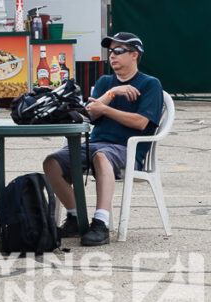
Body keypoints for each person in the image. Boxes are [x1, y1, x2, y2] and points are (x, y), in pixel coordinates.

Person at [43, 31, 163, 247]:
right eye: (110, 51)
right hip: (95, 143)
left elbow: (141, 123)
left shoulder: (150, 84)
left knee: (101, 156)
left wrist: (105, 109)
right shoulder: (105, 81)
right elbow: (90, 113)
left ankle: (101, 223)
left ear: (135, 54)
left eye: (118, 51)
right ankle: (75, 218)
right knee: (51, 162)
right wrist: (112, 93)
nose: (112, 56)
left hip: (128, 148)